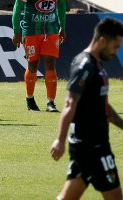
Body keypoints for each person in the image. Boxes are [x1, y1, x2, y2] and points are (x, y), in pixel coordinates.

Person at [50, 17, 123, 199]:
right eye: (115, 46)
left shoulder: (97, 65)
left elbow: (103, 106)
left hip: (89, 145)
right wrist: (59, 140)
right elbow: (70, 103)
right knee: (115, 197)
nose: (116, 52)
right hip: (92, 146)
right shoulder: (85, 65)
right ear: (102, 41)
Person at [12, 0, 67, 112]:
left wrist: (63, 26)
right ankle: (30, 100)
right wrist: (17, 31)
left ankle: (51, 103)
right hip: (31, 31)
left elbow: (62, 6)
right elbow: (17, 8)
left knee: (51, 63)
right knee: (33, 64)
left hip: (51, 30)